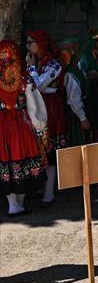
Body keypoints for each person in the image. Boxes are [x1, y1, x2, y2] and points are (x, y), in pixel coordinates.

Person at [0, 40, 47, 216]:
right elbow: (34, 104)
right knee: (21, 157)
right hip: (20, 124)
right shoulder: (23, 77)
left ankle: (13, 205)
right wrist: (39, 125)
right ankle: (18, 204)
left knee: (6, 161)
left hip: (1, 126)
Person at [25, 31, 67, 207]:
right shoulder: (37, 62)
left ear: (40, 43)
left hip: (50, 109)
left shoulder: (54, 65)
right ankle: (43, 187)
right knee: (40, 149)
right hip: (38, 108)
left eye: (30, 42)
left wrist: (32, 67)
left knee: (49, 150)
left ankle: (49, 193)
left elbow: (39, 86)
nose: (27, 46)